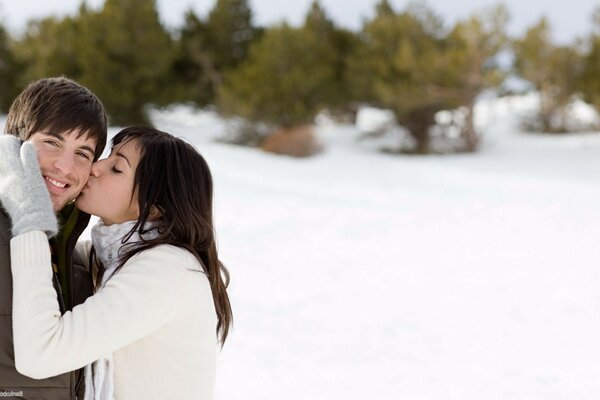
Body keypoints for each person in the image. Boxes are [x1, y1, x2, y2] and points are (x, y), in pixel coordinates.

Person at [0, 126, 233, 400]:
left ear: (156, 205)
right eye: (108, 155)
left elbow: (41, 354)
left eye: (117, 168)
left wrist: (32, 220)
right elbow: (54, 259)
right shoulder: (114, 259)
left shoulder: (166, 271)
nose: (97, 167)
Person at [0, 77, 108, 399]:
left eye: (83, 154)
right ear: (15, 143)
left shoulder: (74, 257)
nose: (65, 167)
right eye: (52, 143)